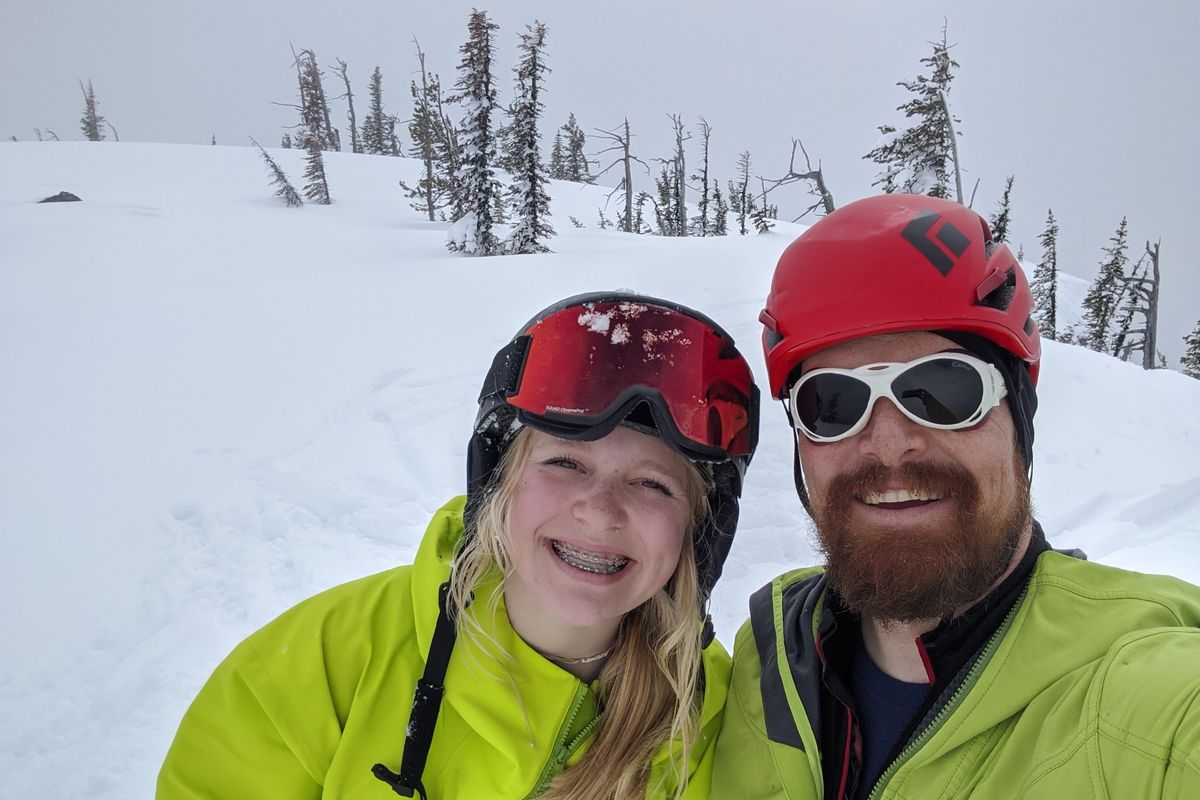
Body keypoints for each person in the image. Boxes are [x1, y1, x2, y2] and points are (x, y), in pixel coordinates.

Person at [157, 291, 758, 800]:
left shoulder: (716, 720)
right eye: (565, 463)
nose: (599, 512)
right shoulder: (320, 665)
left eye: (651, 483)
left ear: (699, 531)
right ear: (498, 485)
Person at [711, 194, 1200, 799]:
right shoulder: (761, 668)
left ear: (1018, 413)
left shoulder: (1146, 699)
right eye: (831, 403)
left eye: (942, 391)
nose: (888, 445)